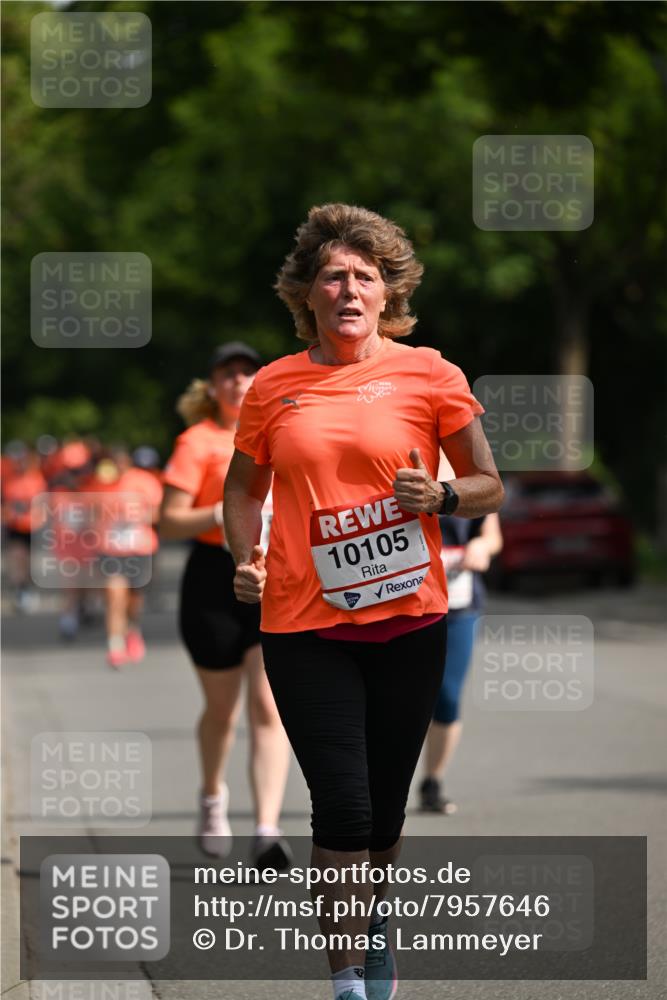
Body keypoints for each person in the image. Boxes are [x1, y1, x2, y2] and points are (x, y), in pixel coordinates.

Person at [223, 203, 504, 1000]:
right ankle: (349, 981)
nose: (349, 290)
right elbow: (242, 488)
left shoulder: (430, 373)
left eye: (365, 278)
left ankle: (370, 925)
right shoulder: (275, 385)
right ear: (306, 295)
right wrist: (244, 556)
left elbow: (489, 485)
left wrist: (443, 497)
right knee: (341, 805)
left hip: (411, 619)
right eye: (333, 277)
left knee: (382, 812)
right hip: (303, 624)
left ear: (388, 295)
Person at [159, 343, 291, 869]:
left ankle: (266, 828)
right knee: (223, 710)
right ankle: (213, 798)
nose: (238, 381)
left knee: (268, 706)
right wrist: (221, 508)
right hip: (213, 578)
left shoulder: (278, 430)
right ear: (212, 387)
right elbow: (168, 522)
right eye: (227, 374)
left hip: (270, 573)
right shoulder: (197, 442)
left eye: (247, 372)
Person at [419, 502, 503, 814]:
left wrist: (481, 546)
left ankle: (433, 781)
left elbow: (492, 536)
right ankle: (377, 786)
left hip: (458, 604)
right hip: (404, 602)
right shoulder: (396, 463)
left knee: (448, 696)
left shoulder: (470, 471)